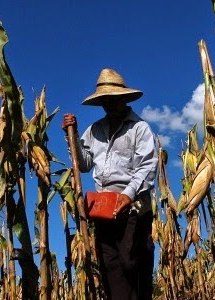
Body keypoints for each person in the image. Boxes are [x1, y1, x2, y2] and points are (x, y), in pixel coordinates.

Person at [62, 68, 158, 300]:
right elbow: (83, 164)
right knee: (110, 266)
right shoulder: (95, 130)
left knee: (131, 262)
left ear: (123, 98)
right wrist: (71, 136)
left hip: (133, 207)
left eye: (113, 99)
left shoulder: (139, 128)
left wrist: (128, 194)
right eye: (105, 100)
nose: (109, 104)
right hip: (104, 208)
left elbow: (147, 166)